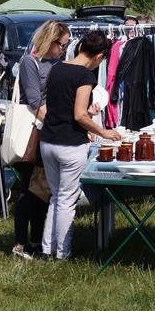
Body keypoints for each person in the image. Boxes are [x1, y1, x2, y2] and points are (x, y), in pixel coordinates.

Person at [39, 31, 121, 260]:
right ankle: (63, 252)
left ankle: (47, 249)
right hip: (69, 145)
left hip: (48, 141)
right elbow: (79, 115)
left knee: (56, 198)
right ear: (100, 57)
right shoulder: (85, 76)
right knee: (67, 201)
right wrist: (103, 131)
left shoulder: (57, 68)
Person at [11, 20, 70, 260]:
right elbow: (35, 100)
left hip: (47, 131)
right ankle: (20, 242)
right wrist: (59, 123)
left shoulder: (57, 63)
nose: (64, 49)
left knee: (42, 188)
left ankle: (36, 240)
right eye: (62, 44)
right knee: (28, 187)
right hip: (33, 132)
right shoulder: (30, 62)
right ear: (51, 40)